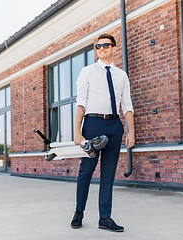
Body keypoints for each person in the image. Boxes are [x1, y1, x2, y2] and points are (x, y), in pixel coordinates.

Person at [71, 33, 135, 232]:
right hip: (92, 124)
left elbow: (127, 105)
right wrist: (77, 132)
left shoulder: (121, 75)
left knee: (108, 174)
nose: (101, 49)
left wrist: (131, 131)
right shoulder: (87, 72)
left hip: (114, 125)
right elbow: (80, 103)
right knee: (86, 171)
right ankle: (78, 212)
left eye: (105, 45)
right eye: (98, 47)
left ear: (114, 48)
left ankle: (104, 218)